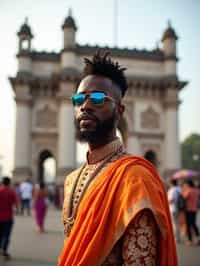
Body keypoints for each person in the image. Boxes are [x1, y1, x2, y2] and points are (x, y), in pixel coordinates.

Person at [58, 51, 177, 265]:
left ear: (119, 111)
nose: (85, 106)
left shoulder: (136, 179)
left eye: (97, 99)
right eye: (78, 99)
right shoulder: (71, 180)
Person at [0, 176, 18, 260]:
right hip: (8, 217)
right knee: (6, 235)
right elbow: (16, 204)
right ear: (9, 183)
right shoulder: (11, 192)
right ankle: (4, 250)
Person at [182, 179, 200, 245]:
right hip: (194, 209)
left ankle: (190, 240)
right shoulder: (197, 190)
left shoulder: (188, 190)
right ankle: (198, 237)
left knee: (188, 224)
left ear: (188, 184)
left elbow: (184, 197)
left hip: (188, 209)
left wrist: (183, 190)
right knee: (193, 223)